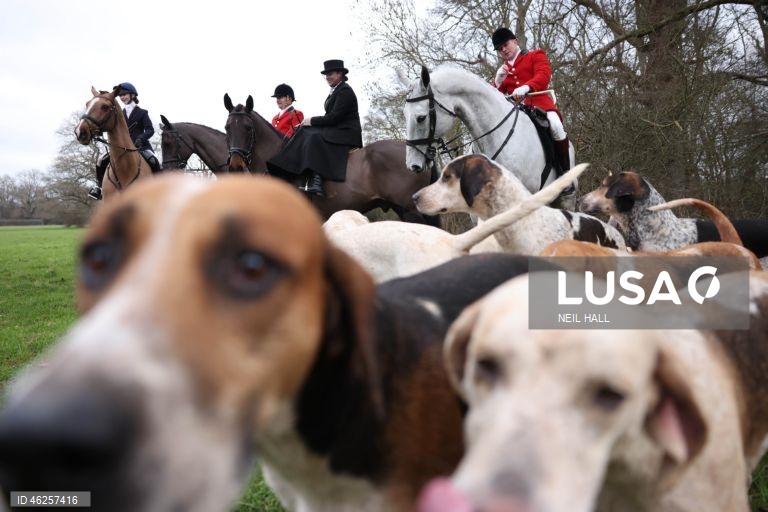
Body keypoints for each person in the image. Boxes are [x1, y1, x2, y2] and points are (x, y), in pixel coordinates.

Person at [491, 27, 574, 194]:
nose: (503, 50)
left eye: (505, 45)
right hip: (517, 111)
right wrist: (498, 81)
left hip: (540, 104)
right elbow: (494, 98)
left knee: (556, 127)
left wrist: (527, 86)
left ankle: (565, 174)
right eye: (500, 49)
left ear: (515, 41)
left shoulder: (535, 55)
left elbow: (544, 75)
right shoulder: (503, 71)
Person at [266, 59, 363, 197]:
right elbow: (330, 117)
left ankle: (316, 180)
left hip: (346, 132)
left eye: (331, 73)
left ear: (340, 73)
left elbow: (334, 118)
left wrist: (311, 121)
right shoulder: (336, 91)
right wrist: (310, 123)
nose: (328, 77)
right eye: (326, 74)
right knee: (306, 131)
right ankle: (290, 169)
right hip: (337, 129)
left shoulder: (345, 91)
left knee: (313, 136)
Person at [87, 82, 161, 200]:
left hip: (140, 146)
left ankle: (159, 188)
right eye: (120, 96)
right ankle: (99, 187)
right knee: (101, 160)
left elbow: (150, 130)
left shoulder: (142, 113)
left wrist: (140, 138)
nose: (122, 97)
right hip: (120, 147)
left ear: (132, 95)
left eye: (125, 94)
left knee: (154, 160)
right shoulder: (118, 113)